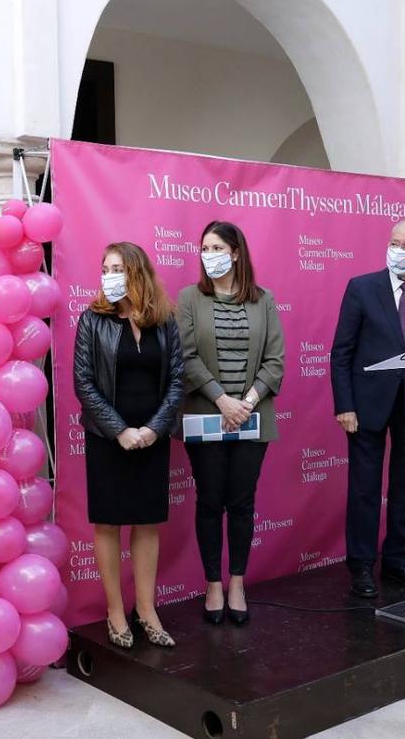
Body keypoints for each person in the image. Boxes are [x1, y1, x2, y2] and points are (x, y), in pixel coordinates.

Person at [330, 217, 405, 598]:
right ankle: (362, 566)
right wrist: (345, 405)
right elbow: (341, 352)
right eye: (395, 242)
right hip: (366, 405)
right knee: (365, 489)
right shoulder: (362, 288)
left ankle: (399, 561)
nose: (399, 250)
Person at [73, 242, 183, 649]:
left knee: (146, 521)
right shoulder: (92, 319)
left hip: (152, 437)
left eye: (116, 268)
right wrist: (120, 430)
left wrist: (154, 429)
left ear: (137, 272)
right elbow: (83, 383)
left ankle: (147, 609)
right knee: (108, 522)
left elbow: (176, 380)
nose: (108, 275)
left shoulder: (165, 321)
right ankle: (115, 610)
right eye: (105, 268)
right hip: (107, 437)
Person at [176, 222, 284, 626]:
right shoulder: (189, 298)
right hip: (206, 416)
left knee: (241, 502)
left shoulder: (264, 300)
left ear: (236, 252)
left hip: (252, 419)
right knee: (209, 500)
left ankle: (237, 581)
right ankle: (213, 584)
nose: (209, 253)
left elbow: (275, 361)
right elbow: (186, 357)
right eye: (204, 247)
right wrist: (222, 400)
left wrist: (247, 402)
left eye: (217, 246)